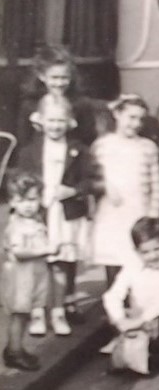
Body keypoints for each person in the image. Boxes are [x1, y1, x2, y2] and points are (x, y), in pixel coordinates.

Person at [16, 95, 99, 337]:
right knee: (38, 264)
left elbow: (90, 180)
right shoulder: (29, 151)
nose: (55, 126)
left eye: (60, 121)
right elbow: (20, 181)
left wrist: (72, 191)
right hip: (39, 214)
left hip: (65, 215)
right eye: (51, 120)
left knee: (62, 264)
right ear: (40, 121)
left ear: (70, 122)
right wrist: (30, 198)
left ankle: (59, 311)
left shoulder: (78, 150)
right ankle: (38, 312)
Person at [91, 94, 159, 287]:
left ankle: (137, 303)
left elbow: (157, 185)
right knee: (113, 259)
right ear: (117, 114)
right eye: (131, 117)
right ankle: (113, 306)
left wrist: (153, 215)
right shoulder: (103, 145)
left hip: (138, 210)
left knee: (137, 257)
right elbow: (92, 178)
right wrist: (105, 185)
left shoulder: (148, 147)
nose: (136, 123)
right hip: (111, 211)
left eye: (140, 119)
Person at [102, 217, 159, 376]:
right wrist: (120, 319)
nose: (153, 256)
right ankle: (133, 352)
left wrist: (142, 319)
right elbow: (112, 295)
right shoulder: (131, 267)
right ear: (136, 251)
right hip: (140, 321)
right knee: (115, 316)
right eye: (145, 252)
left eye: (158, 249)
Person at [2, 171, 57, 371]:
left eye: (32, 199)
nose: (28, 205)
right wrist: (45, 249)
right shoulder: (16, 225)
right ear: (12, 202)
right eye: (22, 200)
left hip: (33, 275)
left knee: (25, 314)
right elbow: (18, 252)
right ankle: (14, 352)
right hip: (20, 277)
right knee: (19, 313)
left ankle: (15, 347)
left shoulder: (35, 219)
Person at [16, 44, 102, 147]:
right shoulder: (30, 105)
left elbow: (88, 139)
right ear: (42, 76)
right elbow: (24, 141)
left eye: (64, 78)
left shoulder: (81, 105)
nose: (59, 83)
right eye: (54, 78)